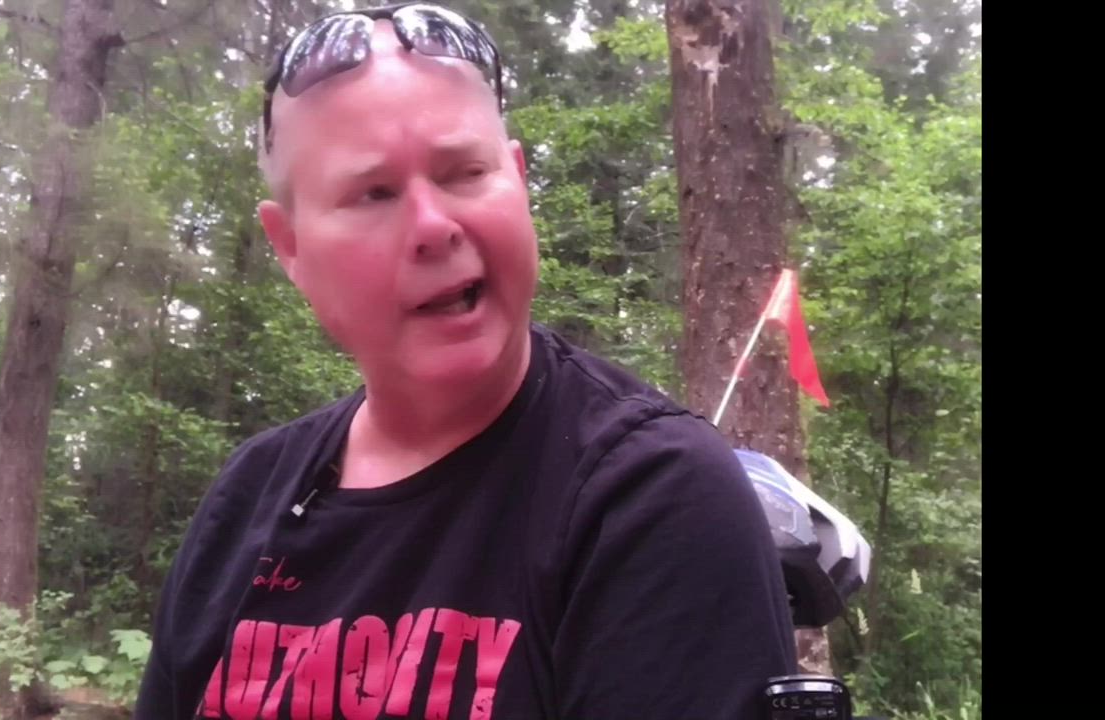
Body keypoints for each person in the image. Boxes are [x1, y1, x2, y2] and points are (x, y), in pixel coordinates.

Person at [135, 3, 797, 718]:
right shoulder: (247, 499)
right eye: (374, 193)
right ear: (291, 247)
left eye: (464, 172)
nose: (433, 225)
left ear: (518, 179)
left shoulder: (648, 495)